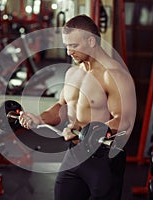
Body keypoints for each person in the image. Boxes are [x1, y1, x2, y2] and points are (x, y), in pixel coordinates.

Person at [19, 15, 136, 200]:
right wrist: (40, 119)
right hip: (74, 155)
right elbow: (62, 107)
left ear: (91, 41)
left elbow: (124, 120)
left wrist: (88, 133)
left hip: (104, 159)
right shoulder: (73, 72)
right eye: (66, 45)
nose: (68, 52)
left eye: (73, 45)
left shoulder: (114, 75)